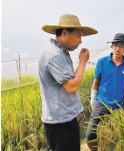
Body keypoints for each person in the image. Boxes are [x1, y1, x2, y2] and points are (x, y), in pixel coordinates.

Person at [38, 14, 98, 151]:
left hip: (66, 118)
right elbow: (72, 86)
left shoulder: (61, 52)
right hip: (59, 122)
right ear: (65, 33)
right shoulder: (54, 55)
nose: (81, 41)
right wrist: (83, 61)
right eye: (78, 35)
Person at [86, 33, 124, 151]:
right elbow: (96, 82)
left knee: (120, 137)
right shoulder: (101, 62)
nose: (117, 48)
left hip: (120, 105)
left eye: (121, 46)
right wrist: (92, 98)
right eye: (115, 45)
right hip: (102, 103)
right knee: (90, 136)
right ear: (112, 46)